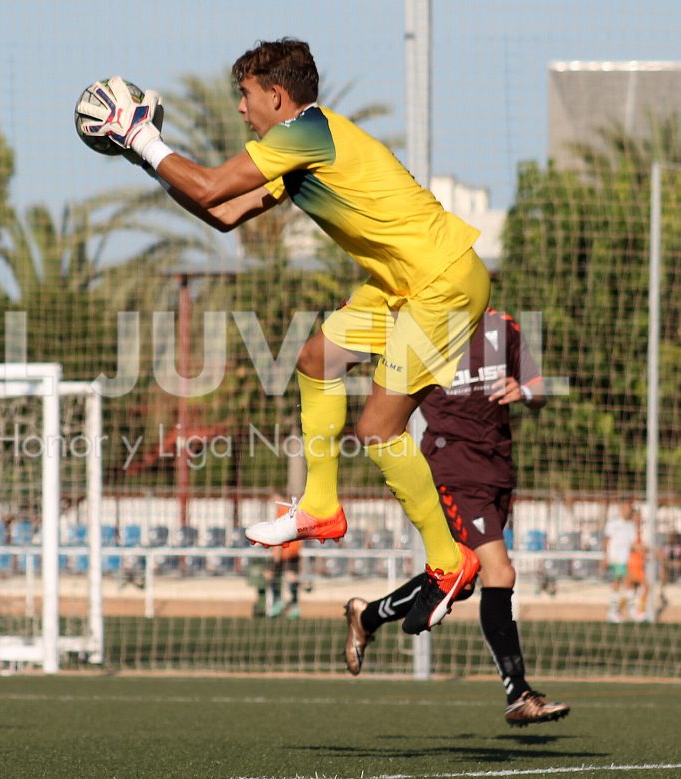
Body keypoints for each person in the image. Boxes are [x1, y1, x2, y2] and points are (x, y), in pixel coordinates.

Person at [80, 38, 484, 632]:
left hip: (442, 282)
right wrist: (146, 156)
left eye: (245, 96)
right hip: (405, 283)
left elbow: (213, 185)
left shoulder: (305, 132)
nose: (241, 110)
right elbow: (221, 213)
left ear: (276, 94)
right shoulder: (302, 149)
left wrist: (141, 135)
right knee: (316, 358)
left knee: (378, 427)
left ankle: (449, 564)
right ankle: (321, 507)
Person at [341, 308, 570, 726]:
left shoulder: (505, 328)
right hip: (451, 466)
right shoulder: (421, 328)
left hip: (497, 468)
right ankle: (517, 692)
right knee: (499, 571)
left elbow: (540, 386)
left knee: (459, 581)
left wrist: (526, 390)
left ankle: (367, 615)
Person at [603, 501, 639, 623]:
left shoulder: (630, 526)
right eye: (625, 508)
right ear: (621, 509)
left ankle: (618, 611)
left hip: (627, 559)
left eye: (629, 508)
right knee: (621, 583)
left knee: (627, 583)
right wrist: (606, 557)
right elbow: (606, 541)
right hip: (616, 559)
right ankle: (621, 611)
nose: (627, 510)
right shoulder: (613, 523)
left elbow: (632, 545)